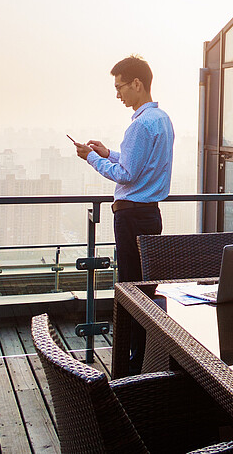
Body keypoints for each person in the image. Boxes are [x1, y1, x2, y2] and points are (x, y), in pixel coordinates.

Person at [73, 55, 174, 373]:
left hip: (130, 216)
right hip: (151, 214)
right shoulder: (162, 120)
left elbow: (127, 174)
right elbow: (140, 163)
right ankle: (145, 358)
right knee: (145, 289)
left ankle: (130, 366)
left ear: (137, 84)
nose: (118, 94)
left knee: (131, 292)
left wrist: (91, 158)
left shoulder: (139, 125)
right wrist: (109, 153)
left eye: (120, 87)